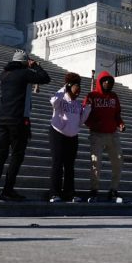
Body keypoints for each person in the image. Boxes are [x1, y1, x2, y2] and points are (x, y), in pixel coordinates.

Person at [0, 50, 50, 201]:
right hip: (19, 119)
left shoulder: (4, 75)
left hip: (3, 118)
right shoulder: (24, 73)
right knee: (17, 155)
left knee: (1, 153)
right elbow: (45, 78)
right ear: (25, 62)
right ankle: (8, 189)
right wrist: (35, 66)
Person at [84, 71, 125, 203]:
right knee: (96, 162)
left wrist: (121, 124)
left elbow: (117, 115)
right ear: (100, 82)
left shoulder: (114, 96)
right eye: (105, 80)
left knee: (118, 161)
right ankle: (94, 190)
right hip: (97, 134)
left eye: (109, 81)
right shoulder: (92, 96)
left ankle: (113, 190)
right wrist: (93, 124)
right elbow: (84, 115)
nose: (107, 83)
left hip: (113, 134)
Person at [48, 73, 91, 202]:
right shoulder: (60, 99)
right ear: (69, 86)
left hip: (72, 136)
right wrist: (64, 88)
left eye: (80, 88)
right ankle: (54, 193)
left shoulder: (77, 104)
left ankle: (69, 193)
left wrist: (88, 108)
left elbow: (81, 121)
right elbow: (53, 101)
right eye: (76, 87)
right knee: (57, 163)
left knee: (69, 166)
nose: (78, 91)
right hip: (58, 133)